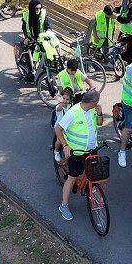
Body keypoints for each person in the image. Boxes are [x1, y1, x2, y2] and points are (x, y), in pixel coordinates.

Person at [55, 89, 104, 221]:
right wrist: (65, 146)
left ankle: (88, 188)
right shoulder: (73, 113)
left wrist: (99, 113)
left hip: (92, 150)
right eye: (97, 102)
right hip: (76, 153)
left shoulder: (93, 109)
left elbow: (99, 123)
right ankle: (64, 205)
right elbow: (58, 128)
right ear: (92, 102)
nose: (98, 104)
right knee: (71, 178)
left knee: (91, 174)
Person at [13, 0, 51, 66]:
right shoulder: (26, 16)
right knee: (30, 61)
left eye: (40, 8)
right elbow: (24, 28)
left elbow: (47, 25)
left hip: (41, 38)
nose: (38, 10)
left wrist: (49, 31)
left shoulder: (43, 14)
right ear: (32, 8)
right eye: (36, 8)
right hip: (31, 39)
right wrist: (27, 38)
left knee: (46, 55)